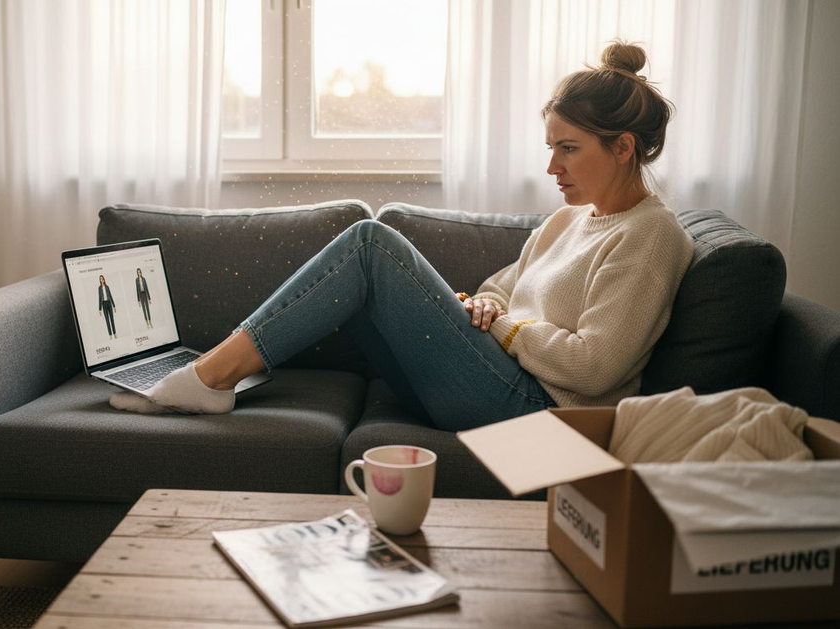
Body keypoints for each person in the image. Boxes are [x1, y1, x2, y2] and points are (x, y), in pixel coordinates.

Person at [109, 41, 694, 429]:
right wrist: (488, 304)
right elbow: (500, 287)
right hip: (492, 378)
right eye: (551, 148)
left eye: (569, 149)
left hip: (537, 412)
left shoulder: (650, 236)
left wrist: (510, 326)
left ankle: (209, 376)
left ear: (622, 148)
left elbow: (595, 367)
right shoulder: (570, 219)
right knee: (360, 289)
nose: (553, 167)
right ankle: (212, 372)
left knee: (369, 244)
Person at [97, 275, 117, 340]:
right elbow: (99, 298)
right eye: (100, 279)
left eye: (102, 279)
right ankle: (110, 335)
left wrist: (114, 305)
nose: (101, 280)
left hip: (109, 303)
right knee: (107, 320)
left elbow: (110, 296)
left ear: (104, 280)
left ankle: (114, 333)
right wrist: (99, 309)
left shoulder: (107, 287)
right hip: (104, 304)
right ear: (99, 280)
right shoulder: (99, 288)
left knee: (112, 319)